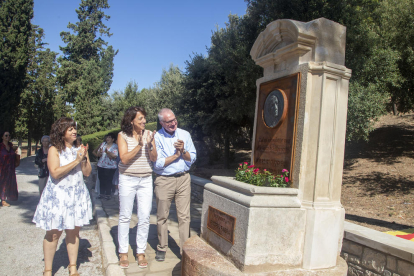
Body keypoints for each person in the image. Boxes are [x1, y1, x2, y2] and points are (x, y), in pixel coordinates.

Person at [32, 117, 93, 276]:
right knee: (53, 234)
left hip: (76, 195)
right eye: (70, 129)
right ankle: (48, 270)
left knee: (73, 232)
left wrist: (84, 158)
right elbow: (55, 172)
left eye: (75, 128)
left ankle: (73, 268)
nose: (74, 131)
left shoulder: (79, 149)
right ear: (61, 132)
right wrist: (76, 161)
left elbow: (87, 173)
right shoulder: (54, 150)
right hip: (58, 197)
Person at [153, 108, 196, 261]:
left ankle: (185, 251)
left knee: (184, 216)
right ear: (161, 123)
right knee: (162, 216)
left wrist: (182, 151)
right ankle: (162, 247)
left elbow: (192, 158)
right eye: (169, 121)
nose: (173, 123)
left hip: (184, 178)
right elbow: (157, 164)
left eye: (174, 119)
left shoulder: (185, 134)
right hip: (164, 180)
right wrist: (176, 155)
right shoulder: (156, 137)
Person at [117, 106, 157, 269]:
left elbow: (154, 158)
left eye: (144, 118)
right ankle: (123, 252)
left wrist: (149, 145)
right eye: (140, 118)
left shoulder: (149, 135)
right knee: (125, 216)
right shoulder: (122, 135)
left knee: (145, 216)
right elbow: (124, 159)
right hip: (127, 178)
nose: (144, 121)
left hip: (146, 179)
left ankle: (140, 251)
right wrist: (139, 146)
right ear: (131, 120)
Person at [93, 133, 118, 200]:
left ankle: (108, 194)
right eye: (107, 137)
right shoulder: (103, 144)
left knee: (108, 180)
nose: (107, 139)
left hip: (110, 166)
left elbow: (114, 156)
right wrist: (100, 152)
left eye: (109, 137)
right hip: (101, 165)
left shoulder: (115, 146)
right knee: (101, 180)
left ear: (113, 139)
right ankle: (101, 194)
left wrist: (108, 152)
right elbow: (98, 155)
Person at [0, 130, 18, 207]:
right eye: (6, 135)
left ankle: (3, 200)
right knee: (2, 184)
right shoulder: (0, 147)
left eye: (9, 135)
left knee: (7, 184)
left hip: (10, 169)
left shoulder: (11, 146)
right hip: (1, 169)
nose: (8, 137)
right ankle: (3, 200)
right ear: (2, 137)